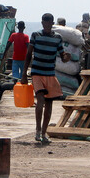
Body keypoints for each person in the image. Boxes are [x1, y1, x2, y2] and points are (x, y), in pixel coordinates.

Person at [21, 13, 71, 144]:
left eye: (49, 23)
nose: (47, 25)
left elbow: (62, 55)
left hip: (50, 73)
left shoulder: (57, 38)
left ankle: (44, 133)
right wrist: (24, 74)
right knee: (41, 99)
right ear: (42, 23)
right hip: (37, 72)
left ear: (52, 23)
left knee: (49, 104)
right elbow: (28, 54)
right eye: (45, 22)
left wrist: (66, 57)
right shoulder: (36, 35)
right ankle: (37, 130)